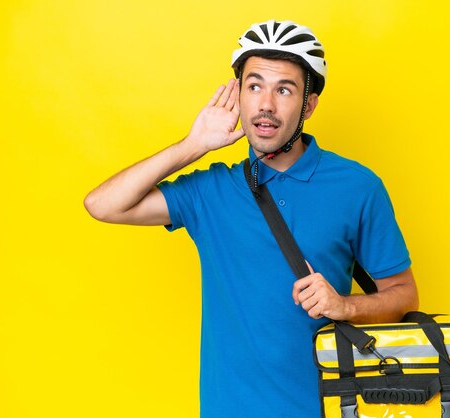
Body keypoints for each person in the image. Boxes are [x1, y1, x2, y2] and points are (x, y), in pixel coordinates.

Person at [84, 19, 418, 418]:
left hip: (327, 409)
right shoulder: (210, 191)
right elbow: (104, 205)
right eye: (254, 85)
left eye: (285, 90)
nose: (266, 105)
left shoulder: (357, 187)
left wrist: (344, 306)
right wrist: (193, 146)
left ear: (308, 105)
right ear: (238, 95)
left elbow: (404, 296)